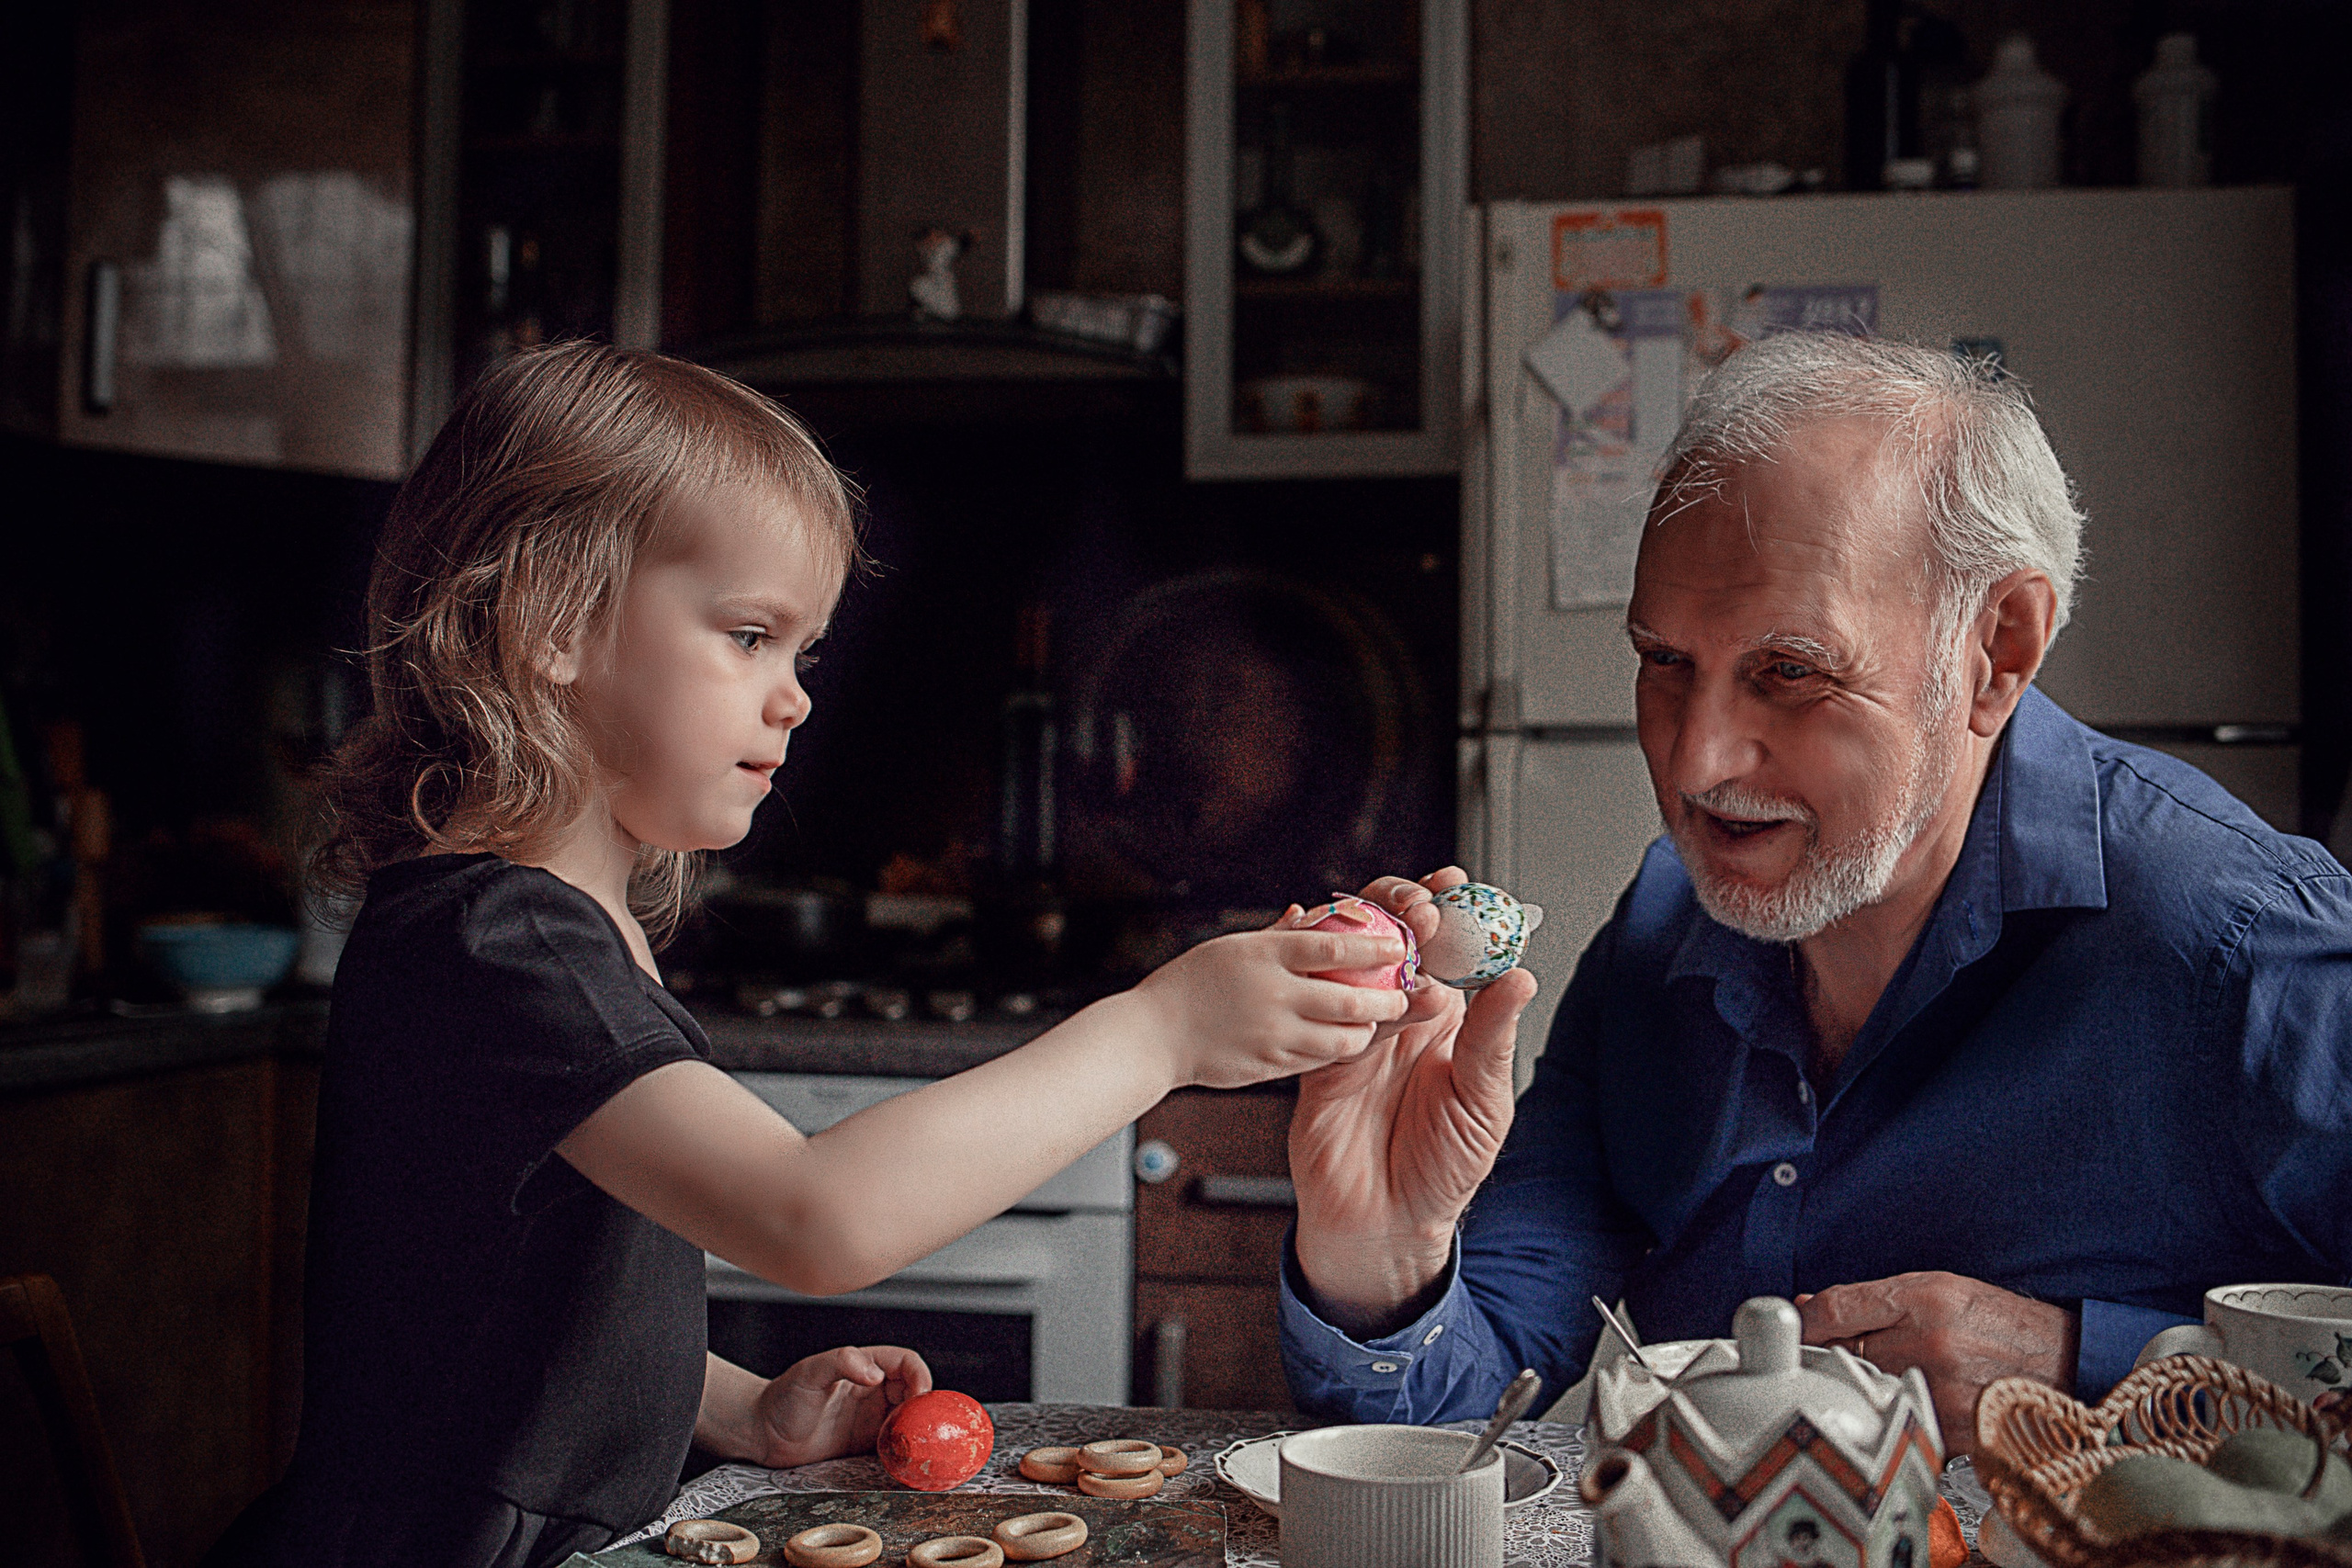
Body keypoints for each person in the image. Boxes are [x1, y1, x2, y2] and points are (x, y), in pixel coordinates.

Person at [204, 344, 1409, 1568]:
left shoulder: (546, 926)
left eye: (803, 654)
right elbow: (813, 1217)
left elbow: (510, 1310)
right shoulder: (496, 939)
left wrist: (736, 1402)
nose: (793, 698)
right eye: (747, 633)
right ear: (549, 622)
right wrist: (1158, 1030)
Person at [1280, 331, 2352, 1458]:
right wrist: (1381, 1261)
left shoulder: (2242, 946)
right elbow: (1462, 1402)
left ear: (1997, 649)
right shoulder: (1657, 938)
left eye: (1788, 672)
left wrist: (2086, 1369)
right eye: (1664, 662)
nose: (1693, 766)